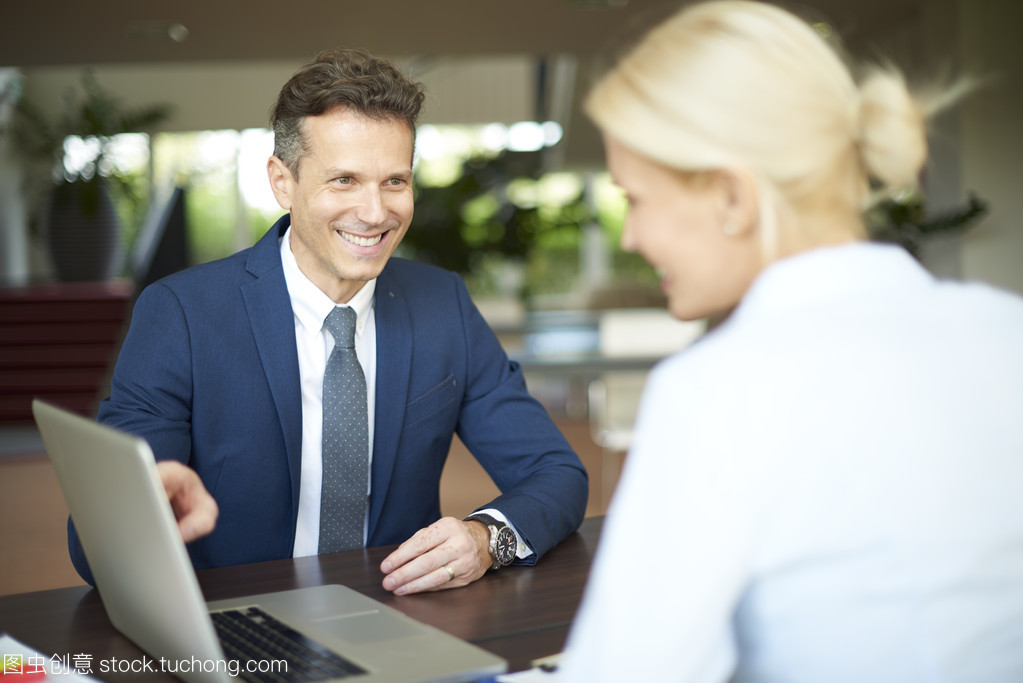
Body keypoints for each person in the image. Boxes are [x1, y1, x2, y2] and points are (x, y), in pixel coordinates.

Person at [557, 1, 1023, 681]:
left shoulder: (718, 391)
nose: (630, 238)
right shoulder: (1002, 329)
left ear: (732, 197)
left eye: (635, 198)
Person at [68, 48, 588, 597]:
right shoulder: (181, 313)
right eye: (343, 180)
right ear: (282, 182)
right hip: (236, 623)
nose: (374, 212)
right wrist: (136, 511)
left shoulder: (443, 305)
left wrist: (487, 539)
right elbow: (93, 546)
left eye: (394, 181)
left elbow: (556, 473)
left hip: (397, 621)